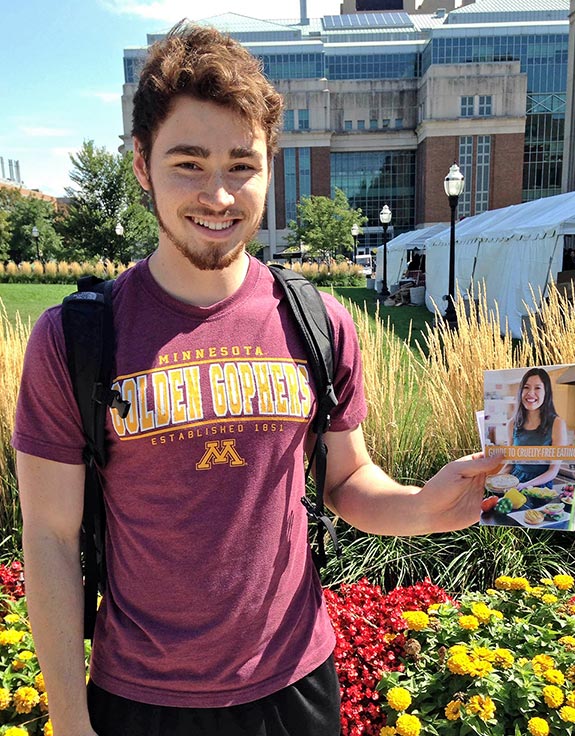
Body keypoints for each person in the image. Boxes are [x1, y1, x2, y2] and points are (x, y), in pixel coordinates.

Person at [13, 25, 500, 736]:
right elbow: (51, 538)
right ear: (142, 166)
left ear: (270, 167)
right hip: (142, 701)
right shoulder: (76, 338)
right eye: (188, 163)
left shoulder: (318, 320)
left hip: (295, 688)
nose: (218, 194)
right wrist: (68, 719)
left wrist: (424, 508)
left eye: (241, 165)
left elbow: (346, 480)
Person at [499, 367, 571, 489]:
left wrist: (525, 485)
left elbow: (553, 471)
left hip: (540, 489)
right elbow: (510, 464)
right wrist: (495, 480)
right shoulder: (512, 424)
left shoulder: (557, 424)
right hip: (513, 484)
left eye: (537, 388)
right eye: (526, 387)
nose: (530, 393)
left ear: (546, 392)